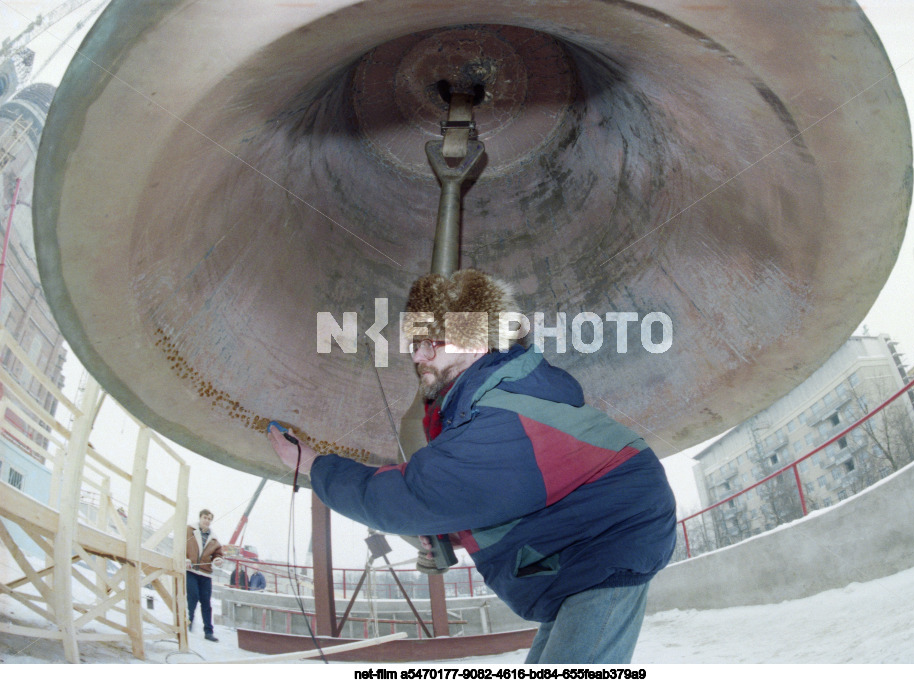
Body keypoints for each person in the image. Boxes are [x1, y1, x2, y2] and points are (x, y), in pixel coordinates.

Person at [267, 269, 676, 663]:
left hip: (609, 545)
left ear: (478, 338)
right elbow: (508, 493)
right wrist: (451, 531)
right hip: (576, 554)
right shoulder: (487, 402)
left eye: (433, 341)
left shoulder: (502, 415)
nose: (419, 355)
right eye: (414, 343)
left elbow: (412, 496)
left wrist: (313, 464)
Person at [186, 509, 225, 642]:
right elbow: (180, 546)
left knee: (206, 603)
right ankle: (187, 624)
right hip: (191, 571)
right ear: (200, 518)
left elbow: (218, 554)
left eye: (209, 519)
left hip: (205, 574)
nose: (207, 521)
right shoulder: (189, 531)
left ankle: (208, 631)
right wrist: (184, 560)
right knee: (193, 597)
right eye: (205, 518)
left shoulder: (213, 538)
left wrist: (217, 560)